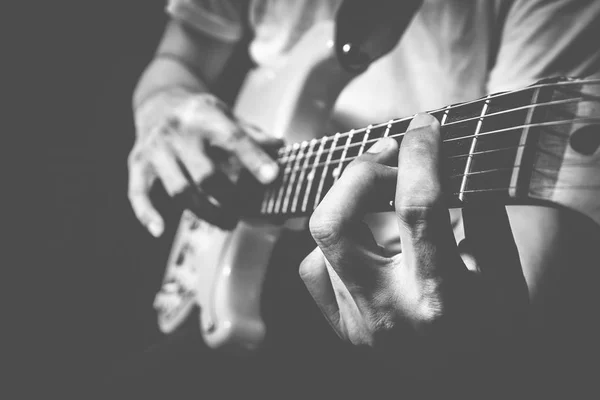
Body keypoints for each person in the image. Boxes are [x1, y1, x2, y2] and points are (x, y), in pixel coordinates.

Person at [116, 0, 600, 398]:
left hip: (387, 286)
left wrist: (468, 357)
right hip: (252, 263)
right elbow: (177, 58)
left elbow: (524, 272)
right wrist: (162, 103)